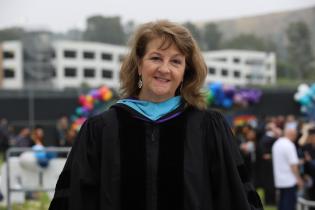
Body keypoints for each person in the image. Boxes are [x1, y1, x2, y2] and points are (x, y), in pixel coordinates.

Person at [49, 20, 263, 210]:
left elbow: (234, 198)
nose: (165, 69)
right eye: (156, 58)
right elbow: (75, 200)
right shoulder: (101, 130)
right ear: (139, 64)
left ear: (185, 72)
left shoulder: (208, 129)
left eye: (176, 61)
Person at [272, 125, 303, 210]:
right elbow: (293, 165)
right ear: (292, 134)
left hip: (279, 180)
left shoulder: (276, 143)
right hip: (290, 180)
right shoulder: (289, 145)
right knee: (289, 205)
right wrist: (299, 179)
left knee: (281, 203)